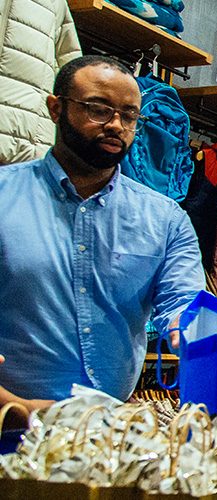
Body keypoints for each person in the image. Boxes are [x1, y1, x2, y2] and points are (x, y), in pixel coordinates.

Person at [0, 55, 204, 412]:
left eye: (129, 115)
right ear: (55, 108)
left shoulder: (166, 219)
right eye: (98, 109)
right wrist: (19, 410)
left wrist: (190, 332)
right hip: (9, 427)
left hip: (109, 439)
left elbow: (183, 302)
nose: (116, 125)